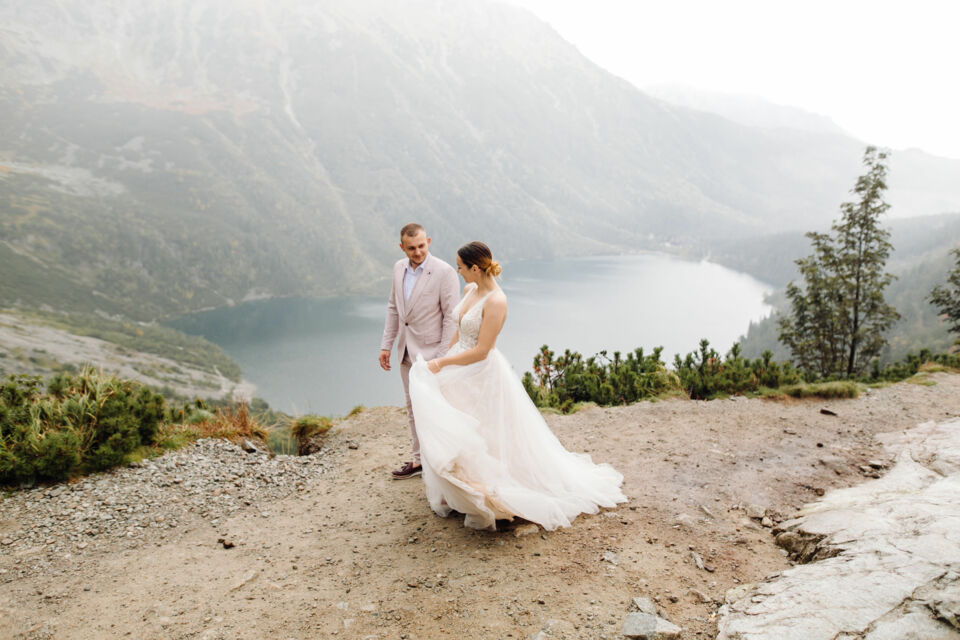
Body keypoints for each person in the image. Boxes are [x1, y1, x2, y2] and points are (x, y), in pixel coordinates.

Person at [407, 242, 627, 530]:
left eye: (460, 267)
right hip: (457, 365)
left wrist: (442, 365)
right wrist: (444, 358)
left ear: (474, 267)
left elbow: (482, 349)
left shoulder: (496, 301)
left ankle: (488, 489)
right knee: (456, 427)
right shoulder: (469, 290)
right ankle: (459, 488)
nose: (458, 272)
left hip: (480, 373)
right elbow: (460, 332)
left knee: (485, 430)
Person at [380, 223, 460, 479]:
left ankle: (445, 462)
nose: (417, 253)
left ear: (429, 241)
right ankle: (418, 461)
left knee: (439, 408)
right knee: (412, 407)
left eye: (421, 246)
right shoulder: (397, 268)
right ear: (401, 247)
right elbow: (394, 308)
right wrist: (386, 345)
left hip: (433, 354)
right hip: (405, 352)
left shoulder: (444, 272)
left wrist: (441, 357)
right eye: (411, 248)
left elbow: (451, 317)